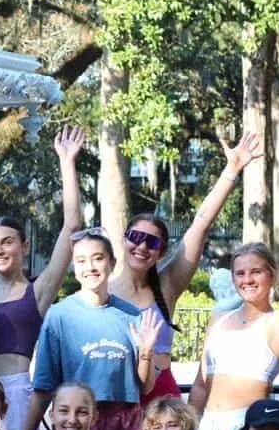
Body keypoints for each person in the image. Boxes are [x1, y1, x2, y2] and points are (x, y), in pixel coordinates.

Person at [109, 132, 263, 406]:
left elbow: (201, 223)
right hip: (116, 397)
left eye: (152, 242)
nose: (142, 247)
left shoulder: (168, 285)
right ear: (124, 240)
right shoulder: (103, 291)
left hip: (161, 401)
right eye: (135, 237)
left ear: (162, 251)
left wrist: (232, 169)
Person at [0, 126, 84, 430]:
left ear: (24, 246)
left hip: (19, 395)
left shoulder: (38, 290)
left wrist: (66, 161)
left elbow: (72, 226)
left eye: (6, 242)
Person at [20, 228, 162, 430]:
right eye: (81, 261)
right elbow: (44, 386)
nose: (90, 267)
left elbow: (145, 388)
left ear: (112, 262)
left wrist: (146, 352)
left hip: (124, 424)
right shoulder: (59, 316)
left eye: (98, 258)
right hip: (76, 422)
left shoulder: (132, 316)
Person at [189, 243, 279, 430]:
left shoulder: (278, 324)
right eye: (240, 273)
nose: (247, 279)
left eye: (256, 272)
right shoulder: (218, 320)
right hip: (207, 429)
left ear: (271, 274)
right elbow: (201, 385)